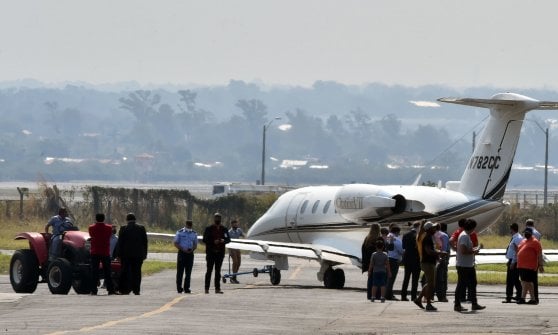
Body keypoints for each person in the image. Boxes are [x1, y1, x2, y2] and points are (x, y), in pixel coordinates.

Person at [454, 219, 485, 312]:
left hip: (468, 265)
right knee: (461, 285)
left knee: (472, 283)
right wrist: (474, 251)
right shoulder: (464, 236)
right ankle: (457, 304)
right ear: (472, 227)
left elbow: (466, 249)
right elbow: (463, 251)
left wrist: (476, 248)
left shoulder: (466, 235)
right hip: (464, 265)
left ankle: (474, 303)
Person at [114, 213, 148, 295]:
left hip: (126, 255)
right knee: (137, 272)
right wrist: (145, 254)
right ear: (135, 219)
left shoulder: (123, 228)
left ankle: (124, 289)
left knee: (125, 272)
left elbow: (120, 243)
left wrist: (118, 255)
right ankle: (136, 290)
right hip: (138, 255)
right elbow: (145, 242)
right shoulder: (141, 228)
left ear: (127, 220)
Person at [414, 221, 444, 311]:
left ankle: (419, 299)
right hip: (428, 263)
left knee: (429, 283)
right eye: (433, 227)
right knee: (431, 285)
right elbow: (429, 251)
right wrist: (440, 253)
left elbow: (430, 250)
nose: (435, 229)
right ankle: (428, 304)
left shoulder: (428, 237)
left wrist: (437, 255)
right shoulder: (427, 238)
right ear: (429, 229)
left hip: (427, 262)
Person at [202, 213, 230, 294]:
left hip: (220, 253)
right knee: (209, 271)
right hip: (211, 253)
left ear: (221, 219)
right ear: (214, 219)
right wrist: (213, 241)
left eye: (219, 218)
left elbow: (228, 239)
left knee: (218, 271)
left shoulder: (224, 229)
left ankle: (217, 289)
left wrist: (223, 240)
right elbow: (204, 239)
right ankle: (206, 288)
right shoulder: (209, 228)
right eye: (216, 218)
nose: (217, 219)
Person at [88, 213, 115, 295]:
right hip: (105, 251)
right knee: (108, 272)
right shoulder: (109, 228)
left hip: (95, 251)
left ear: (96, 219)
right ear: (104, 219)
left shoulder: (91, 228)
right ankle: (110, 289)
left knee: (94, 272)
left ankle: (93, 289)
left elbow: (91, 235)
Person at [516, 227, 544, 305]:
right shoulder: (523, 241)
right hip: (521, 265)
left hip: (530, 266)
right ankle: (529, 299)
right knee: (524, 282)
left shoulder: (535, 242)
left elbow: (539, 254)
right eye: (525, 232)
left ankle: (527, 298)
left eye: (528, 232)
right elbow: (519, 250)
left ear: (531, 233)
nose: (526, 234)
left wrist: (541, 265)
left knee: (527, 282)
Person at [174, 220, 197, 293]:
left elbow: (195, 244)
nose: (189, 227)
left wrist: (192, 249)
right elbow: (176, 243)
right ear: (186, 225)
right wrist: (183, 249)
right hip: (182, 253)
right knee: (180, 271)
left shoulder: (194, 233)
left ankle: (186, 288)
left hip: (190, 254)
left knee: (188, 272)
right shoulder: (180, 232)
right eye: (188, 225)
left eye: (190, 225)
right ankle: (179, 288)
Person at [502, 223, 523, 303]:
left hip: (514, 261)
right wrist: (509, 260)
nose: (509, 231)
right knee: (514, 279)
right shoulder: (515, 237)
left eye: (510, 229)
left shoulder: (517, 238)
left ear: (512, 229)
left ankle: (510, 296)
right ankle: (518, 295)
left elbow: (516, 252)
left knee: (511, 280)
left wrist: (513, 262)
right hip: (512, 260)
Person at [401, 221, 421, 301]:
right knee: (415, 279)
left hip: (407, 258)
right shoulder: (417, 236)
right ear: (418, 227)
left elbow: (403, 246)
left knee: (406, 278)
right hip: (416, 259)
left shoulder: (405, 235)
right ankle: (413, 296)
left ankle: (403, 295)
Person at [362, 223, 381, 300]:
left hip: (369, 263)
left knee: (370, 279)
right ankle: (377, 295)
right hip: (378, 263)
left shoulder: (367, 239)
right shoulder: (379, 239)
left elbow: (363, 250)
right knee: (378, 280)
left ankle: (369, 295)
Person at [368, 238, 391, 303]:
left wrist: (369, 271)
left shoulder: (374, 254)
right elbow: (387, 264)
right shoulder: (385, 254)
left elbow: (371, 264)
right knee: (383, 285)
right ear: (383, 246)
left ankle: (373, 297)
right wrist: (389, 272)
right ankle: (382, 297)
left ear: (376, 246)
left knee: (374, 284)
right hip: (383, 271)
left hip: (375, 271)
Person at [385, 225, 403, 300]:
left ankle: (388, 293)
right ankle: (389, 295)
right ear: (397, 232)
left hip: (388, 258)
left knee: (388, 278)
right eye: (399, 233)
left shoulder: (388, 236)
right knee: (391, 278)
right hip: (394, 260)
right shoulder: (396, 238)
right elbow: (400, 250)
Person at [525, 218, 541, 303]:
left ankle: (533, 298)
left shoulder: (528, 232)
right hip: (535, 257)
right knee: (534, 279)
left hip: (529, 258)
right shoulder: (537, 233)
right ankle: (535, 297)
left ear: (526, 224)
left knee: (528, 280)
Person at [435, 222, 450, 302]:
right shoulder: (444, 235)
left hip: (433, 258)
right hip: (442, 258)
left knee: (434, 277)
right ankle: (442, 296)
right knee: (442, 277)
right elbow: (444, 249)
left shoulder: (432, 235)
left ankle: (430, 296)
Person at [228, 219, 245, 284]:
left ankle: (234, 276)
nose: (236, 225)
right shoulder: (229, 232)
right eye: (234, 224)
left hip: (238, 248)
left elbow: (243, 235)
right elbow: (227, 241)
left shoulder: (239, 230)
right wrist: (229, 250)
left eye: (236, 223)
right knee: (235, 262)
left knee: (239, 263)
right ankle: (233, 277)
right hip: (232, 249)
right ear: (231, 224)